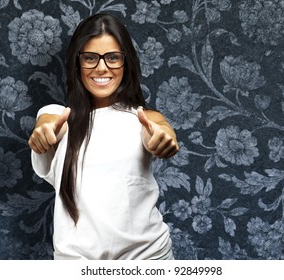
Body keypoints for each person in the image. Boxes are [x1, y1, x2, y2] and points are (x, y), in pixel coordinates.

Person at [28, 13, 179, 260]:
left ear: (126, 63)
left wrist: (164, 136)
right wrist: (42, 134)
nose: (101, 67)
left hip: (148, 258)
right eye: (90, 58)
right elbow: (46, 123)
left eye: (112, 58)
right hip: (77, 263)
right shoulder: (59, 116)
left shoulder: (143, 118)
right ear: (77, 63)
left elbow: (159, 126)